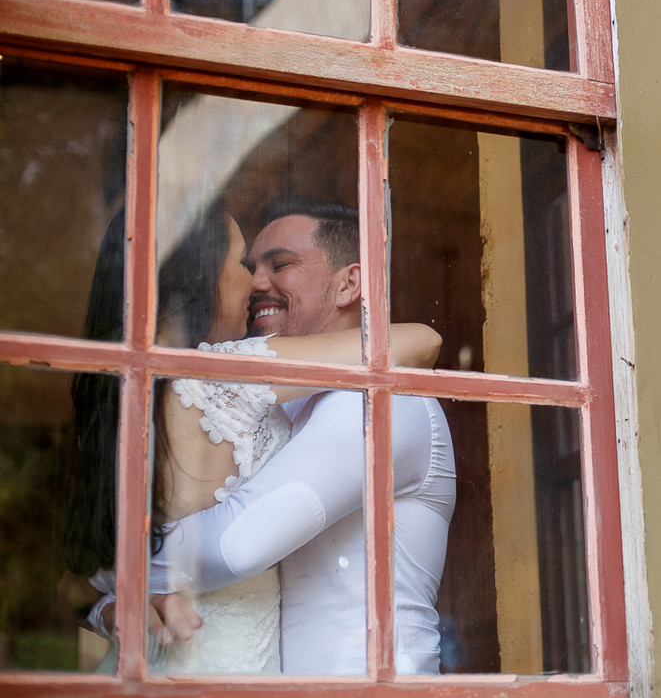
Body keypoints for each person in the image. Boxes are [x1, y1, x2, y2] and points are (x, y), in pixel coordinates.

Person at [65, 201, 442, 673]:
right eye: (245, 264)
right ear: (197, 276)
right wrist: (111, 596)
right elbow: (422, 340)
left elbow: (76, 575)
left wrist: (110, 583)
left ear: (349, 282)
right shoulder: (228, 374)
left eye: (278, 264)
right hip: (215, 666)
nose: (256, 281)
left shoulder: (127, 390)